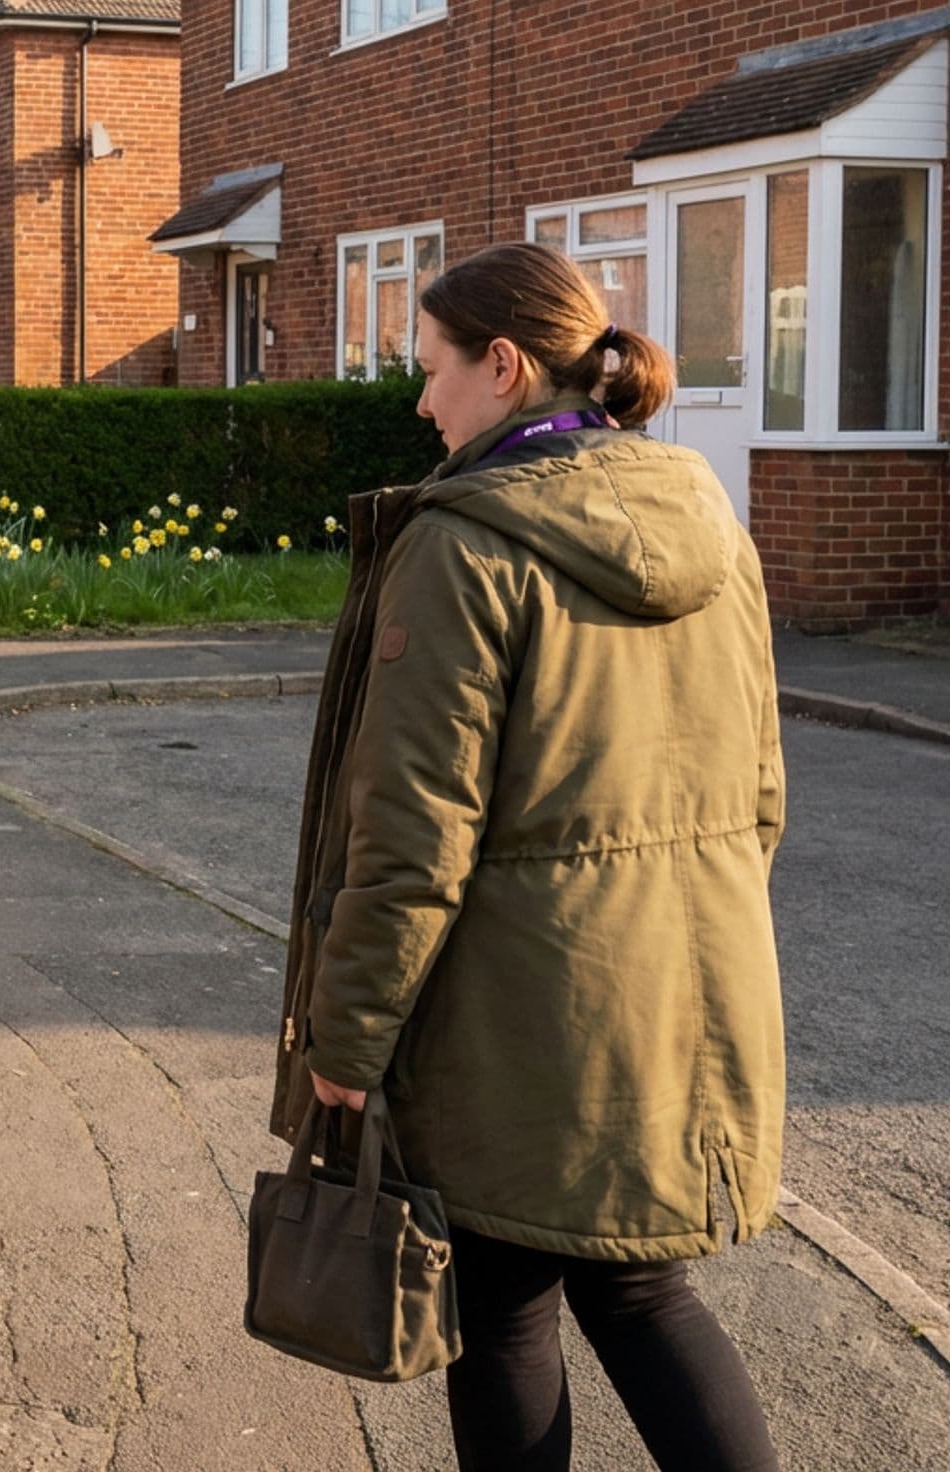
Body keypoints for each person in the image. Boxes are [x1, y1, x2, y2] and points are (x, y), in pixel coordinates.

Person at [274, 241, 784, 1471]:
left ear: (502, 368)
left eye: (432, 367)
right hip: (685, 1002)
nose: (420, 399)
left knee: (504, 1310)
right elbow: (763, 792)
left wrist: (345, 1045)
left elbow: (409, 837)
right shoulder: (712, 525)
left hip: (516, 1028)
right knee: (643, 1295)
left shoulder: (463, 546)